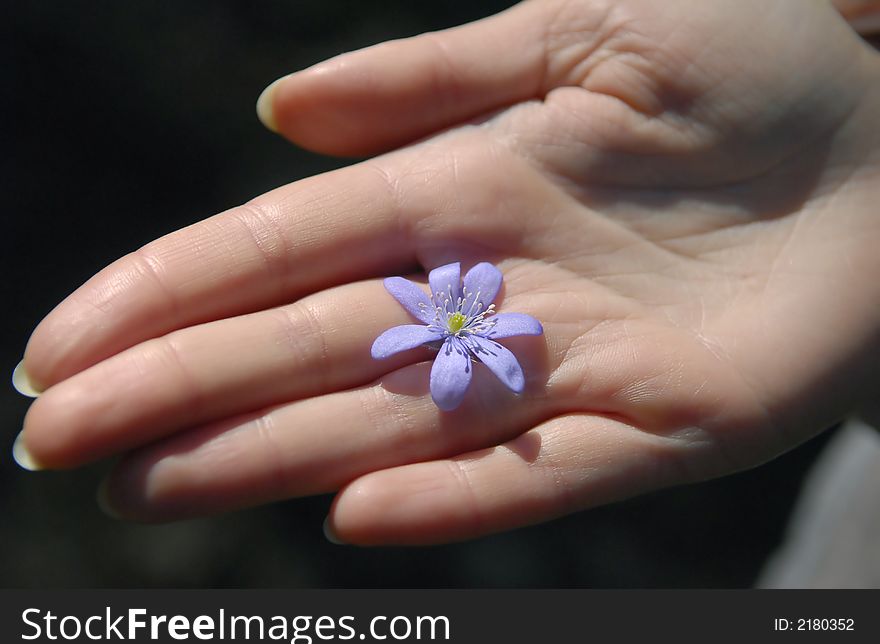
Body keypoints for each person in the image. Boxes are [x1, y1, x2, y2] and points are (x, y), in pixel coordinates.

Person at [11, 0, 880, 549]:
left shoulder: (475, 328)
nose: (462, 321)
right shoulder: (442, 317)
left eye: (465, 321)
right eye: (453, 320)